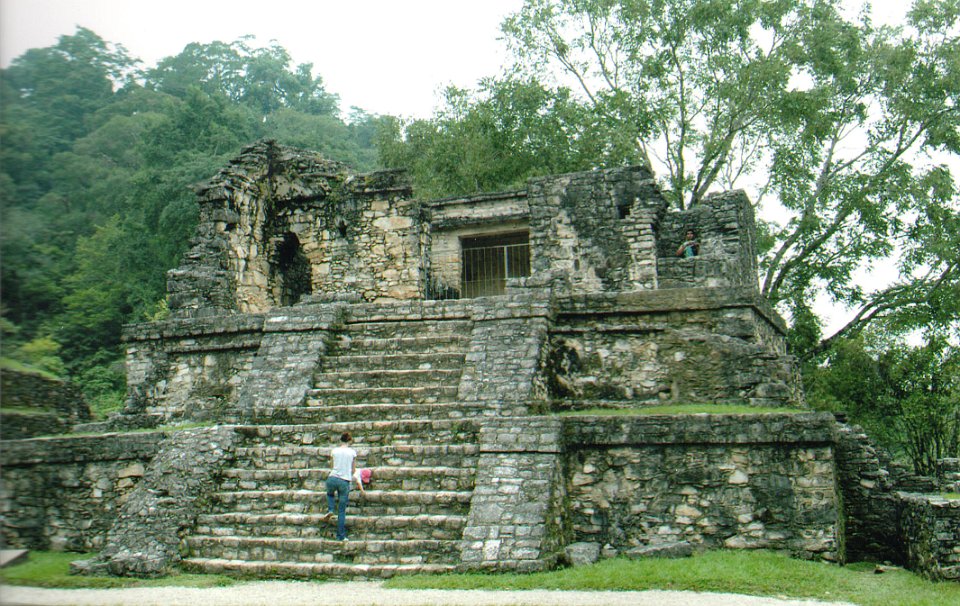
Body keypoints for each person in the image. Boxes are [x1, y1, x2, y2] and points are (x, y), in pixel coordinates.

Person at [323, 432, 357, 541]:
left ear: (340, 440)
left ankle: (330, 509)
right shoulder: (352, 452)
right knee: (342, 511)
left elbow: (332, 466)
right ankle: (340, 536)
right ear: (349, 441)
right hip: (344, 480)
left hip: (332, 478)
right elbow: (353, 469)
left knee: (330, 494)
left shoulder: (334, 451)